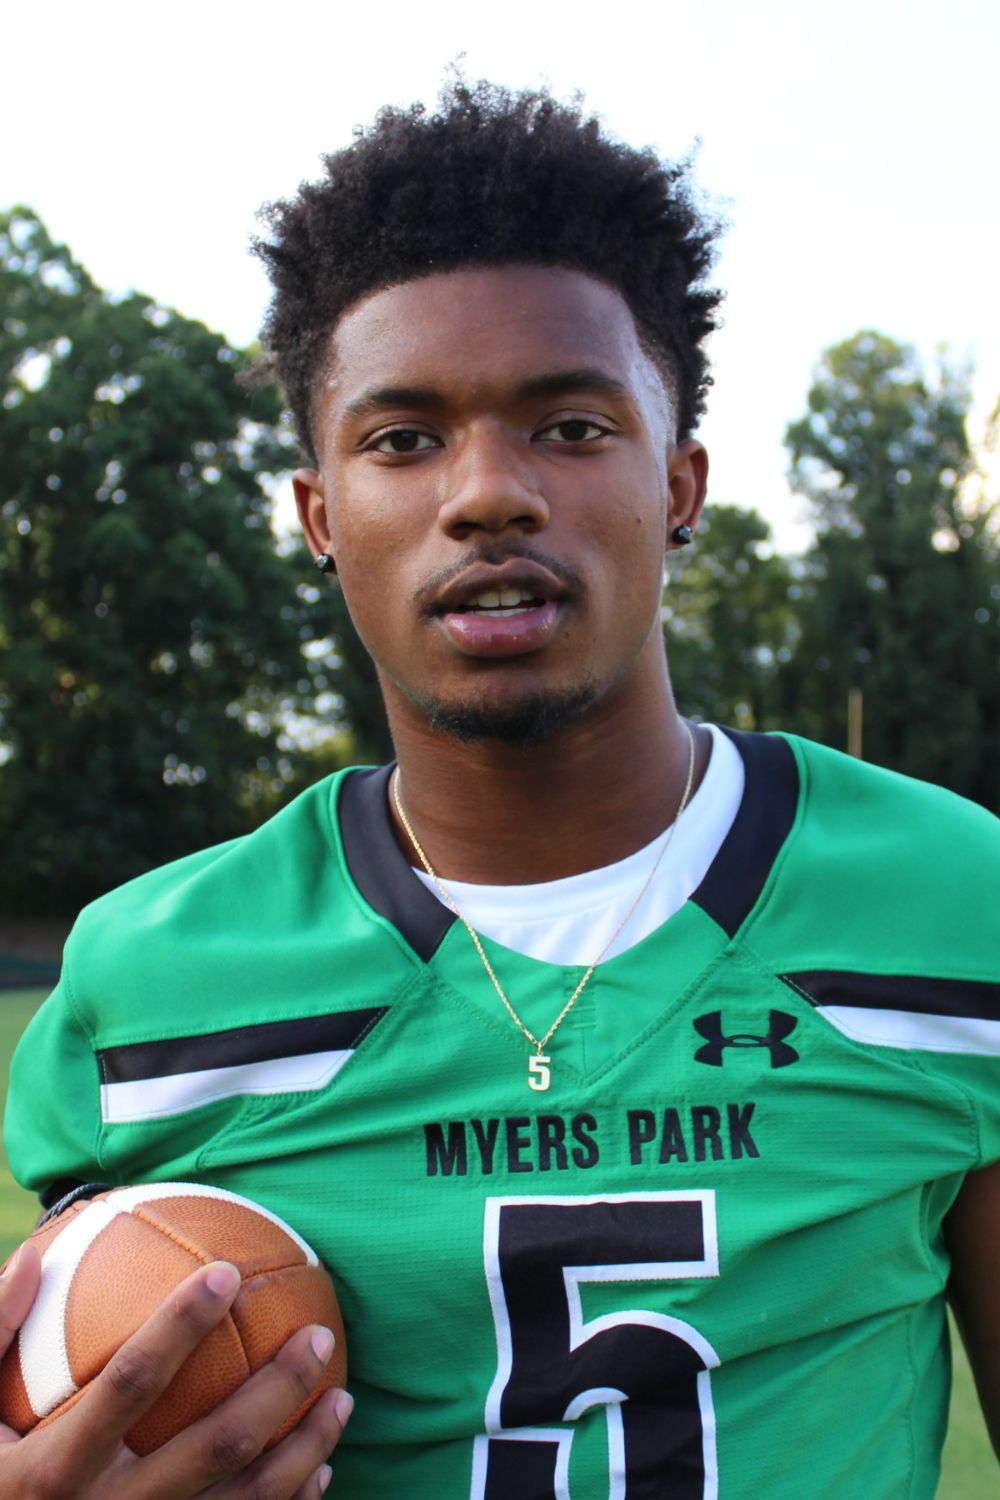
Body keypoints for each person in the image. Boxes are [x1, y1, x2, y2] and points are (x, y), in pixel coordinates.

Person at [2, 80, 998, 1499]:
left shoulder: (957, 902)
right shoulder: (152, 981)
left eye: (574, 426)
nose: (489, 496)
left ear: (681, 483)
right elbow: (97, 1413)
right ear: (320, 516)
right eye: (402, 439)